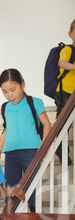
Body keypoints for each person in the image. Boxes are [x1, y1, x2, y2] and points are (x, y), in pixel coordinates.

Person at [0, 68, 51, 213]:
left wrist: (43, 148)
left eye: (12, 89)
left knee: (32, 187)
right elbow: (6, 130)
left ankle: (35, 214)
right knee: (11, 190)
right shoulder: (5, 108)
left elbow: (46, 124)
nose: (9, 95)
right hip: (11, 155)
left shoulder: (34, 102)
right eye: (4, 92)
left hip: (31, 153)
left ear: (22, 85)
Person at [55, 19, 75, 165]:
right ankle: (61, 151)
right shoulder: (67, 50)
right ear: (70, 34)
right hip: (65, 92)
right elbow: (62, 63)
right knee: (63, 124)